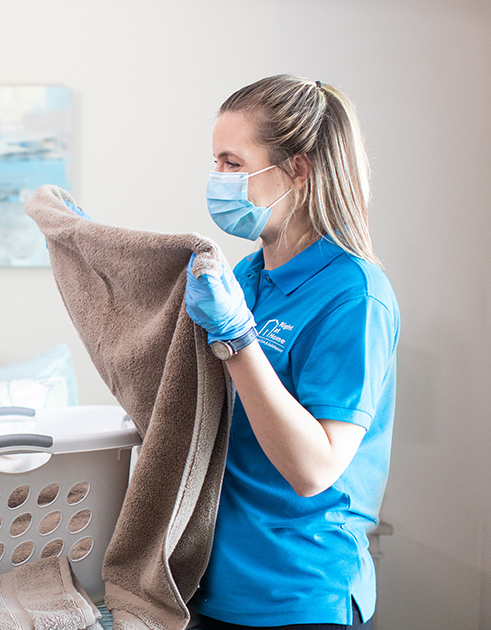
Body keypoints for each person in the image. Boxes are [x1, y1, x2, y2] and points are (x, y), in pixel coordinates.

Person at [184, 75, 398, 629]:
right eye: (216, 163)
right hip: (213, 583)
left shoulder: (355, 295)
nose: (218, 180)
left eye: (233, 163)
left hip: (299, 595)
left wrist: (237, 341)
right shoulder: (246, 275)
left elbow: (314, 468)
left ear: (298, 170)